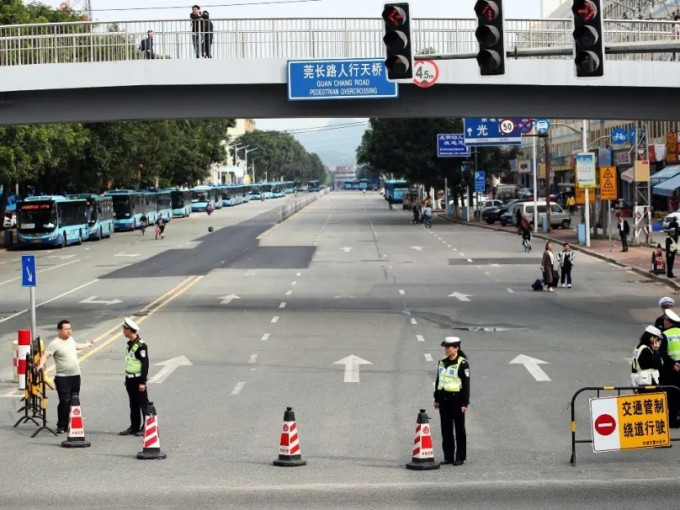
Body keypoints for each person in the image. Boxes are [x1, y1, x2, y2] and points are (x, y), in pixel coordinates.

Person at [36, 320, 95, 433]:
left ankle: (70, 424)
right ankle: (61, 425)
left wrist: (88, 344)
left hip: (76, 376)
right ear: (59, 330)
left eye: (70, 328)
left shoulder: (71, 340)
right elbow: (46, 355)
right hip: (63, 378)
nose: (69, 331)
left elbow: (77, 346)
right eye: (66, 329)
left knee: (74, 401)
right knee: (64, 401)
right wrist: (40, 365)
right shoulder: (55, 343)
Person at [434, 336, 469, 466]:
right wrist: (436, 399)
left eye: (449, 347)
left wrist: (465, 403)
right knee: (446, 430)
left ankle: (460, 457)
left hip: (457, 400)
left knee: (459, 430)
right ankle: (448, 457)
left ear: (456, 348)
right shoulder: (442, 362)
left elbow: (466, 385)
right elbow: (439, 380)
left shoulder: (462, 363)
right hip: (444, 400)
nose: (446, 349)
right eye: (445, 347)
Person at [120, 317, 150, 436]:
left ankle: (146, 427)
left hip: (138, 379)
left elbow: (145, 365)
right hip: (130, 379)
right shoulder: (130, 344)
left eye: (124, 329)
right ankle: (134, 427)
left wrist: (143, 382)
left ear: (129, 330)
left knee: (143, 404)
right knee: (133, 404)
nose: (123, 331)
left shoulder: (141, 346)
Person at [660, 309, 680, 427]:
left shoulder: (665, 335)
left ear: (669, 322)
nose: (663, 322)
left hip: (672, 368)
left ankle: (672, 420)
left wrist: (673, 364)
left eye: (665, 320)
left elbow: (662, 353)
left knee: (672, 393)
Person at [631, 325, 664, 393]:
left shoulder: (639, 347)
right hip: (648, 383)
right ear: (652, 338)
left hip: (640, 380)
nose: (658, 341)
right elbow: (658, 364)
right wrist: (656, 351)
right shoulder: (646, 350)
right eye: (657, 339)